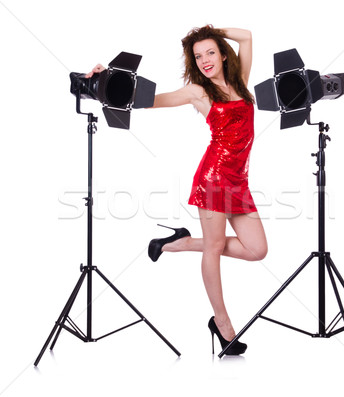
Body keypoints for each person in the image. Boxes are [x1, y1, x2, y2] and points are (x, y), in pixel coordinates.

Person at [88, 25, 267, 355]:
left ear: (223, 54)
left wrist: (212, 30)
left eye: (210, 52)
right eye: (198, 56)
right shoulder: (197, 91)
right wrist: (104, 81)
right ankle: (223, 325)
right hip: (213, 177)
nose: (204, 60)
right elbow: (147, 102)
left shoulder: (239, 78)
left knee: (257, 250)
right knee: (213, 248)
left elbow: (247, 36)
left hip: (239, 179)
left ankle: (179, 242)